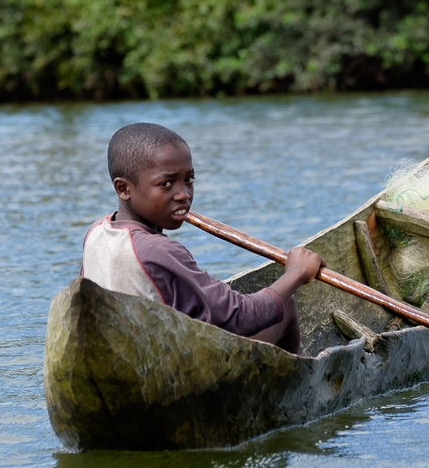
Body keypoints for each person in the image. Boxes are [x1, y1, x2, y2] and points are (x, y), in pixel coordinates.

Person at [80, 123, 323, 353]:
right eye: (166, 184)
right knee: (286, 303)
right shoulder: (159, 250)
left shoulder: (97, 231)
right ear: (123, 189)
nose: (183, 194)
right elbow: (241, 317)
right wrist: (296, 273)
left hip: (123, 356)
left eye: (188, 180)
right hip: (171, 371)